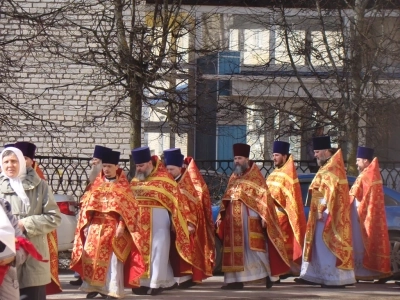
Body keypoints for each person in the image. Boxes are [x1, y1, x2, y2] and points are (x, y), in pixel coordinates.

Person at [70, 149, 144, 299]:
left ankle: (112, 290)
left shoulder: (123, 188)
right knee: (91, 257)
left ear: (116, 167)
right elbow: (86, 205)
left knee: (112, 261)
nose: (106, 169)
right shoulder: (96, 186)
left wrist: (122, 226)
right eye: (104, 166)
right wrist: (86, 224)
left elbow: (130, 210)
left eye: (110, 166)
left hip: (113, 227)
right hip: (95, 227)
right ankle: (93, 287)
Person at [216, 143, 290, 290]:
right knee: (233, 251)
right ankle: (234, 280)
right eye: (235, 158)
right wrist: (220, 216)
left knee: (255, 249)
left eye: (240, 158)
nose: (237, 161)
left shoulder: (255, 176)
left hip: (250, 219)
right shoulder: (234, 177)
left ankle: (270, 276)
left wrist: (264, 217)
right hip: (233, 221)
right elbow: (226, 198)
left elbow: (264, 198)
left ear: (247, 159)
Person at [129, 146, 192, 296]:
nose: (139, 169)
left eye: (141, 165)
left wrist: (180, 222)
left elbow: (178, 201)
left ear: (150, 164)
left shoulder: (165, 179)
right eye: (137, 166)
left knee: (159, 251)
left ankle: (156, 283)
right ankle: (142, 283)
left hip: (159, 223)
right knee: (140, 252)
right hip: (139, 224)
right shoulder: (135, 180)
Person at [0, 147, 61, 300]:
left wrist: (25, 223)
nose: (10, 165)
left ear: (21, 162)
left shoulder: (41, 186)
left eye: (14, 161)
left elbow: (54, 217)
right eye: (6, 162)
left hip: (33, 254)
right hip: (4, 255)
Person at [298, 136, 355, 287]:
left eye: (317, 152)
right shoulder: (326, 167)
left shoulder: (333, 168)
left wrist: (321, 208)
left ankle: (334, 278)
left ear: (326, 151)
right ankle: (316, 275)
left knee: (326, 246)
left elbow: (330, 192)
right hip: (319, 212)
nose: (315, 155)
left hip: (328, 214)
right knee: (317, 245)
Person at [163, 148, 213, 288]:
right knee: (171, 252)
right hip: (169, 223)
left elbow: (193, 206)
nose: (169, 172)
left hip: (185, 225)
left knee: (185, 252)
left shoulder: (186, 184)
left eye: (172, 169)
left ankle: (186, 278)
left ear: (180, 168)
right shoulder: (167, 183)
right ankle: (172, 279)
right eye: (167, 169)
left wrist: (191, 223)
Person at [70, 144, 112, 289]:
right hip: (87, 220)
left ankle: (94, 283)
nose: (93, 163)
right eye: (93, 160)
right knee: (84, 249)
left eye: (97, 161)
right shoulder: (93, 179)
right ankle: (82, 277)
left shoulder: (108, 180)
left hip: (101, 223)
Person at [349, 146, 391, 281]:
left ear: (366, 161)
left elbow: (357, 193)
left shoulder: (368, 175)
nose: (356, 163)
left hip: (362, 214)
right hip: (361, 212)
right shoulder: (370, 173)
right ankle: (366, 272)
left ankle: (364, 273)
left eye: (358, 160)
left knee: (360, 243)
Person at [266, 141, 306, 276]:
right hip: (271, 217)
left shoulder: (289, 174)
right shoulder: (272, 174)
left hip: (282, 216)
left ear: (284, 156)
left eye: (277, 155)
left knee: (283, 244)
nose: (274, 158)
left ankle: (286, 269)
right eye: (273, 155)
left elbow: (292, 198)